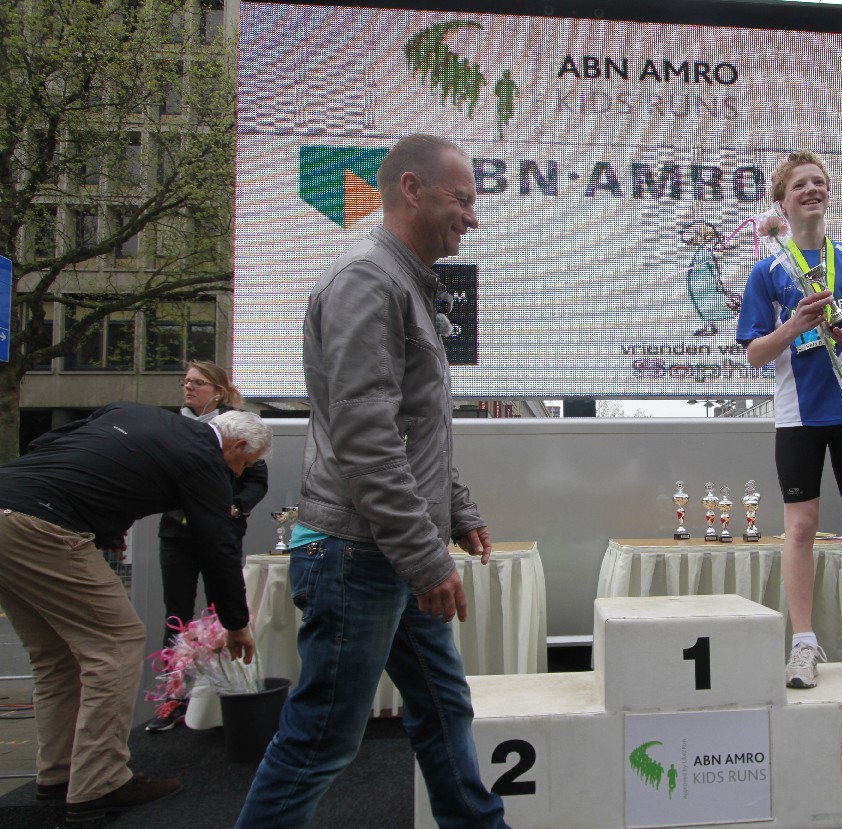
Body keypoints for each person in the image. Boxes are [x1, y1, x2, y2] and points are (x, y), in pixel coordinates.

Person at [236, 135, 508, 829]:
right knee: (321, 739)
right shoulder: (368, 282)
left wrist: (456, 508)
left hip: (383, 551)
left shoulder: (402, 283)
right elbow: (366, 438)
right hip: (359, 554)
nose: (472, 217)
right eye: (462, 199)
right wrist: (424, 555)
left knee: (443, 709)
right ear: (411, 189)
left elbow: (412, 429)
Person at [0, 402, 265, 823]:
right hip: (45, 525)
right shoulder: (205, 460)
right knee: (116, 644)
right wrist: (235, 623)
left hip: (8, 500)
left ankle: (59, 775)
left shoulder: (133, 413)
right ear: (235, 446)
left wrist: (99, 519)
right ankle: (100, 782)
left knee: (56, 657)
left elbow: (47, 444)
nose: (238, 475)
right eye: (244, 465)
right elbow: (217, 545)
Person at [736, 150, 842, 689]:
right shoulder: (768, 270)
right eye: (800, 185)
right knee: (802, 528)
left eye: (819, 182)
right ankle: (804, 643)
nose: (812, 190)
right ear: (781, 203)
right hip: (799, 418)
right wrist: (793, 326)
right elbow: (755, 353)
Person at [146, 360, 269, 733]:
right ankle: (175, 696)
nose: (188, 388)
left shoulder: (239, 427)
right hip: (177, 534)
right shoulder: (172, 426)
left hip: (221, 532)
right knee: (176, 615)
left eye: (198, 382)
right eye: (185, 381)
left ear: (218, 391)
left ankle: (225, 695)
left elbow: (256, 479)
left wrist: (237, 506)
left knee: (223, 612)